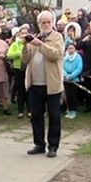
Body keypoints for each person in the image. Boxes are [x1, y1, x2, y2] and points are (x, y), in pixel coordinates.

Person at [22, 10, 64, 158]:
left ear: (52, 23)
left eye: (48, 22)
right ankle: (39, 144)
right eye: (43, 22)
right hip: (35, 84)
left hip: (52, 84)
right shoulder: (35, 37)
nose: (46, 25)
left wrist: (40, 44)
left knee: (54, 116)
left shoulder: (57, 37)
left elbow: (56, 55)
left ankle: (53, 146)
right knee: (36, 116)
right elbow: (25, 59)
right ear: (38, 24)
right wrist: (25, 45)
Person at [7, 25, 30, 118]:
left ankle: (30, 110)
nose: (24, 35)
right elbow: (9, 55)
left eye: (25, 33)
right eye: (22, 33)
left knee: (28, 89)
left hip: (28, 68)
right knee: (20, 90)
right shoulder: (15, 44)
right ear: (19, 34)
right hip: (18, 68)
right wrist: (19, 54)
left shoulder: (30, 43)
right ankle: (20, 111)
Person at [76, 19, 91, 112]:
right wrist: (84, 40)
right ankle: (88, 105)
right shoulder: (86, 35)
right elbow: (78, 46)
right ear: (90, 27)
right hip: (88, 66)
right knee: (87, 87)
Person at [63, 43, 83, 119]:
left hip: (74, 80)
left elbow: (79, 68)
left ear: (75, 49)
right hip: (66, 80)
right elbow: (62, 67)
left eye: (72, 48)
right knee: (68, 95)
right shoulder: (65, 57)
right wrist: (65, 75)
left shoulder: (78, 57)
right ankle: (69, 110)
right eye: (69, 48)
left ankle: (73, 111)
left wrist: (71, 76)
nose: (70, 50)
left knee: (73, 95)